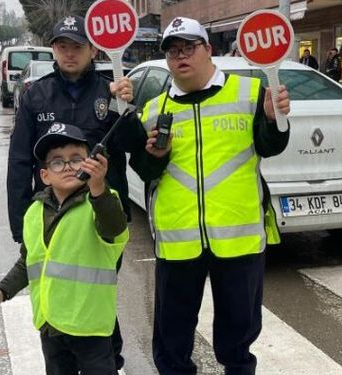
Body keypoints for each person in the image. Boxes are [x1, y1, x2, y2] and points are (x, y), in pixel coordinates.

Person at [125, 17, 291, 374]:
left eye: (188, 47)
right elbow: (144, 170)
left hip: (238, 238)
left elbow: (270, 145)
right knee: (172, 338)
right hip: (177, 239)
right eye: (172, 51)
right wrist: (153, 156)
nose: (180, 56)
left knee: (238, 337)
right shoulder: (154, 109)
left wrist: (273, 119)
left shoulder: (248, 94)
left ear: (208, 50)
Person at [7, 15, 143, 371]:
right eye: (62, 45)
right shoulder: (36, 94)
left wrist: (123, 107)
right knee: (58, 288)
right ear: (53, 49)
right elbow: (20, 162)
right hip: (56, 216)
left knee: (98, 293)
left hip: (102, 216)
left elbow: (134, 145)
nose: (69, 53)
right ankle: (63, 358)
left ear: (93, 49)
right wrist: (22, 227)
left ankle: (108, 360)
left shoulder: (109, 88)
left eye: (77, 46)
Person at [0, 123, 129, 375]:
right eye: (57, 162)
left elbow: (114, 227)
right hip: (50, 324)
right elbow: (28, 261)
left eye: (76, 159)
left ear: (90, 163)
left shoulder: (102, 201)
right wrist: (3, 290)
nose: (68, 166)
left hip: (89, 326)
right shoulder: (34, 213)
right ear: (45, 175)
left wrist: (98, 188)